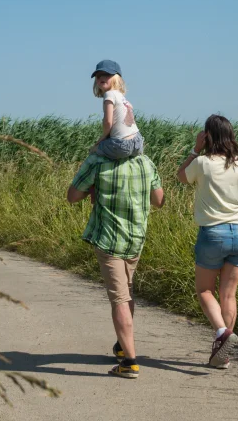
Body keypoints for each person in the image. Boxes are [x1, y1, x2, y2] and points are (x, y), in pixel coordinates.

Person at [67, 152, 164, 379]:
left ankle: (130, 362)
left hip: (108, 239)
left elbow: (72, 196)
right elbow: (159, 200)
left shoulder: (98, 160)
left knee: (119, 297)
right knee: (127, 292)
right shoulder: (145, 161)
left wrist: (95, 188)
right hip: (135, 238)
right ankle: (122, 345)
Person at [176, 114, 238, 369]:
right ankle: (222, 356)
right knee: (228, 294)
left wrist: (194, 149)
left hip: (213, 233)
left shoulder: (201, 163)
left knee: (204, 291)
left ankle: (222, 332)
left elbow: (181, 176)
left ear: (208, 136)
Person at [90, 60, 143, 159]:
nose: (101, 77)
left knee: (94, 150)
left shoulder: (109, 95)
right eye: (98, 76)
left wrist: (102, 138)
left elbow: (108, 122)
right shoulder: (121, 96)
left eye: (106, 74)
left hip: (121, 145)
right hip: (138, 142)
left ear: (117, 78)